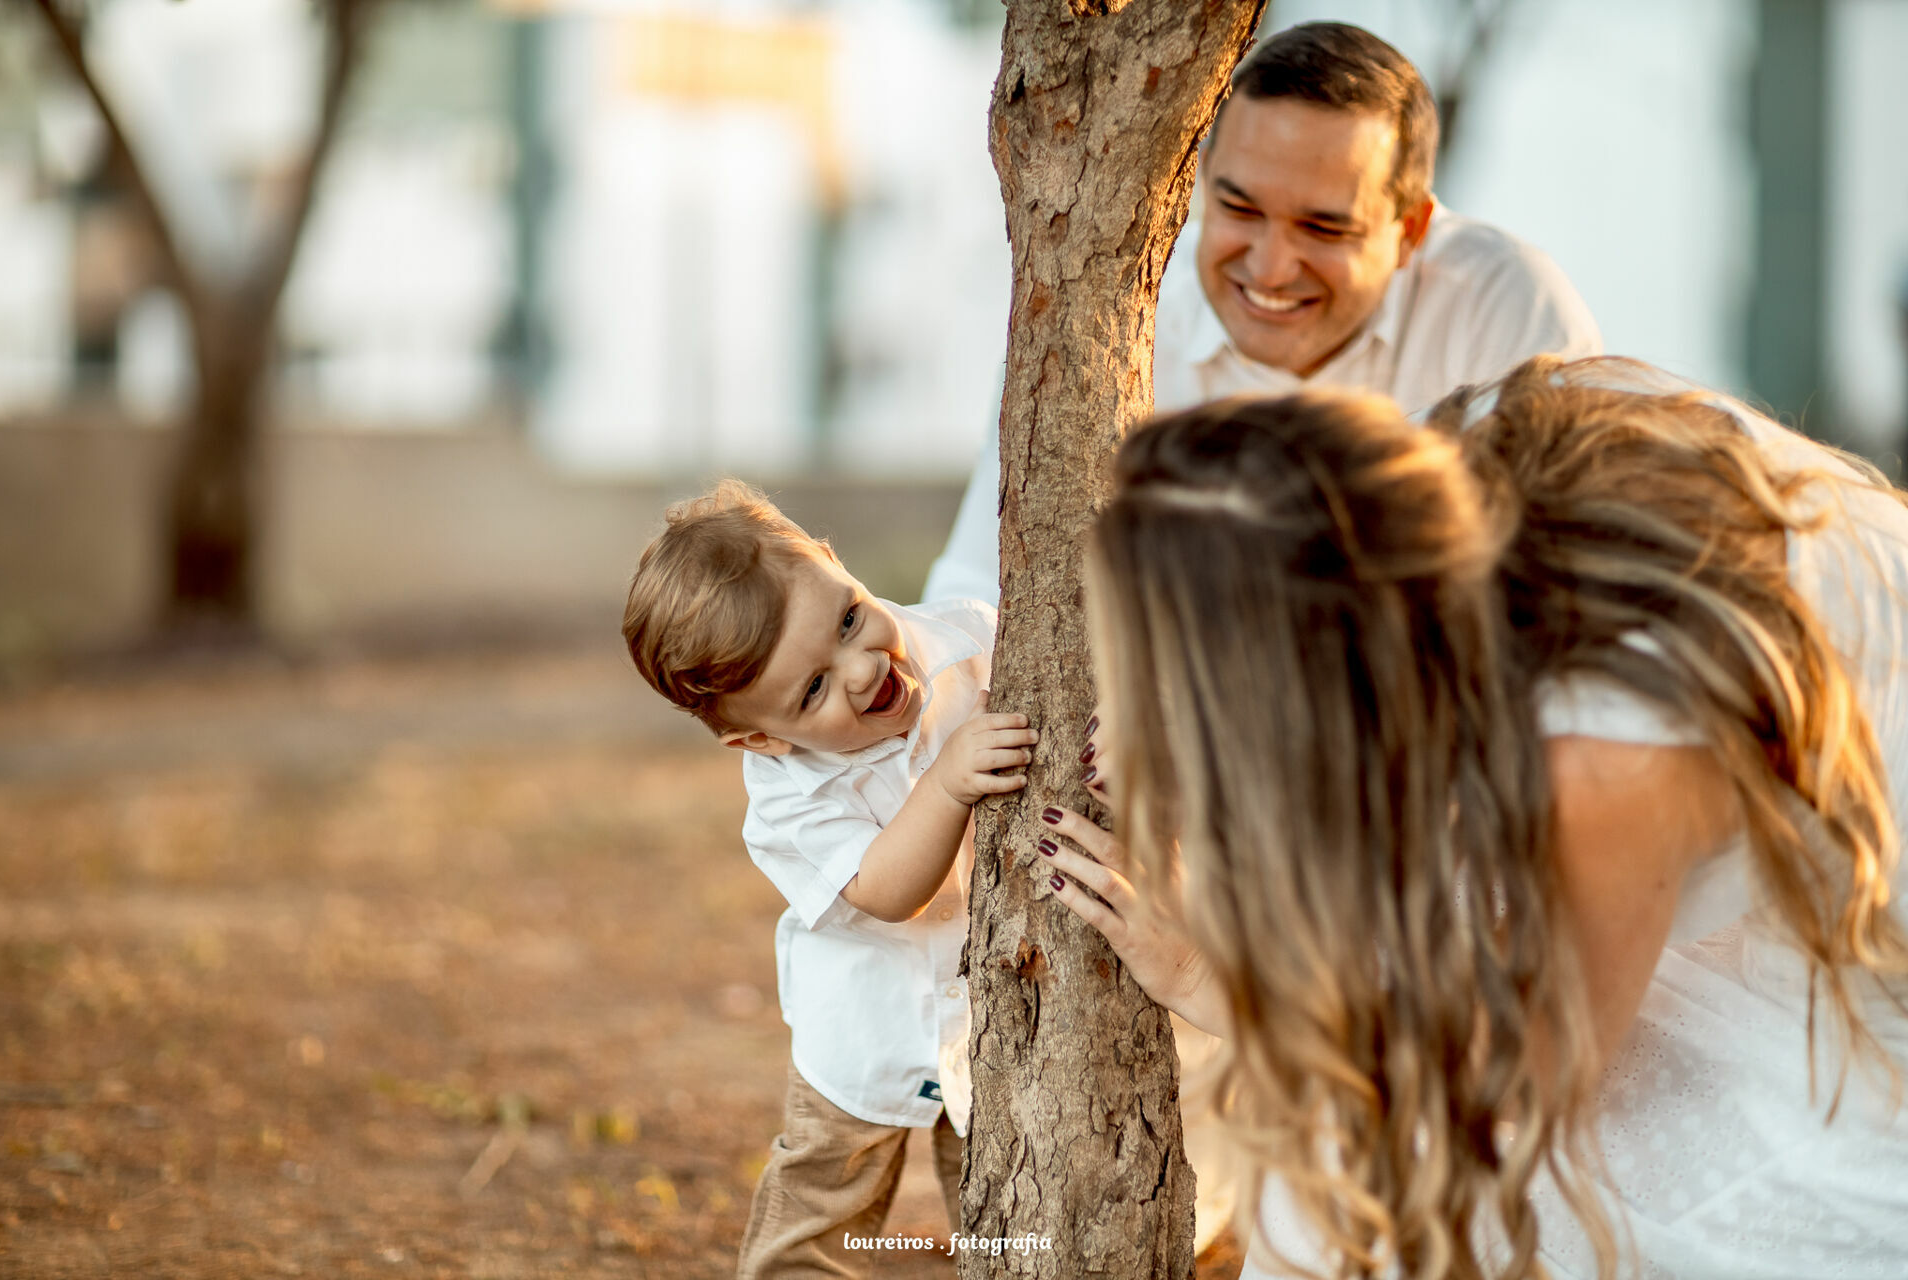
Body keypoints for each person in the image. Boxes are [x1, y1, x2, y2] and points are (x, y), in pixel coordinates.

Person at [1035, 357, 1908, 1278]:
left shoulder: (1611, 747)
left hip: (1870, 980)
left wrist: (1217, 982)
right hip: (1786, 853)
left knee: (1354, 1156)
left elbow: (1502, 1095)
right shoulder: (1429, 478)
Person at [923, 21, 1602, 607]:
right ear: (1197, 182)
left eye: (1325, 228)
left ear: (1411, 230)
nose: (1272, 268)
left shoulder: (1506, 307)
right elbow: (981, 590)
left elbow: (1572, 580)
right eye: (1240, 209)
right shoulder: (1112, 325)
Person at [620, 480, 1037, 1279]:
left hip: (994, 1016)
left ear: (834, 561)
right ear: (760, 739)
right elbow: (885, 890)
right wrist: (947, 782)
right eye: (812, 689)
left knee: (1005, 1196)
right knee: (822, 1203)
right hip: (864, 1024)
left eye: (848, 619)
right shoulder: (784, 796)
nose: (863, 667)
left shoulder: (972, 646)